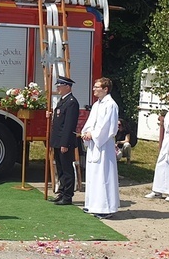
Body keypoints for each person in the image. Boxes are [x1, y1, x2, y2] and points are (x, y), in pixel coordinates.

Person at [81, 77, 119, 219]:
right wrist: (86, 132)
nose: (94, 89)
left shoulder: (110, 105)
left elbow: (107, 127)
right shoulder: (97, 104)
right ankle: (93, 204)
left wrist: (94, 134)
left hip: (104, 143)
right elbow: (91, 122)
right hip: (94, 144)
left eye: (97, 87)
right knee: (93, 174)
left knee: (104, 174)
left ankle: (106, 207)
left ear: (105, 89)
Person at [47, 75, 79, 205]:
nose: (58, 88)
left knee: (66, 169)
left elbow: (68, 125)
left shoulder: (71, 102)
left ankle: (67, 195)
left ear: (67, 86)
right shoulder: (62, 100)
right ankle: (61, 191)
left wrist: (64, 143)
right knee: (60, 168)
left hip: (64, 142)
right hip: (57, 140)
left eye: (60, 86)